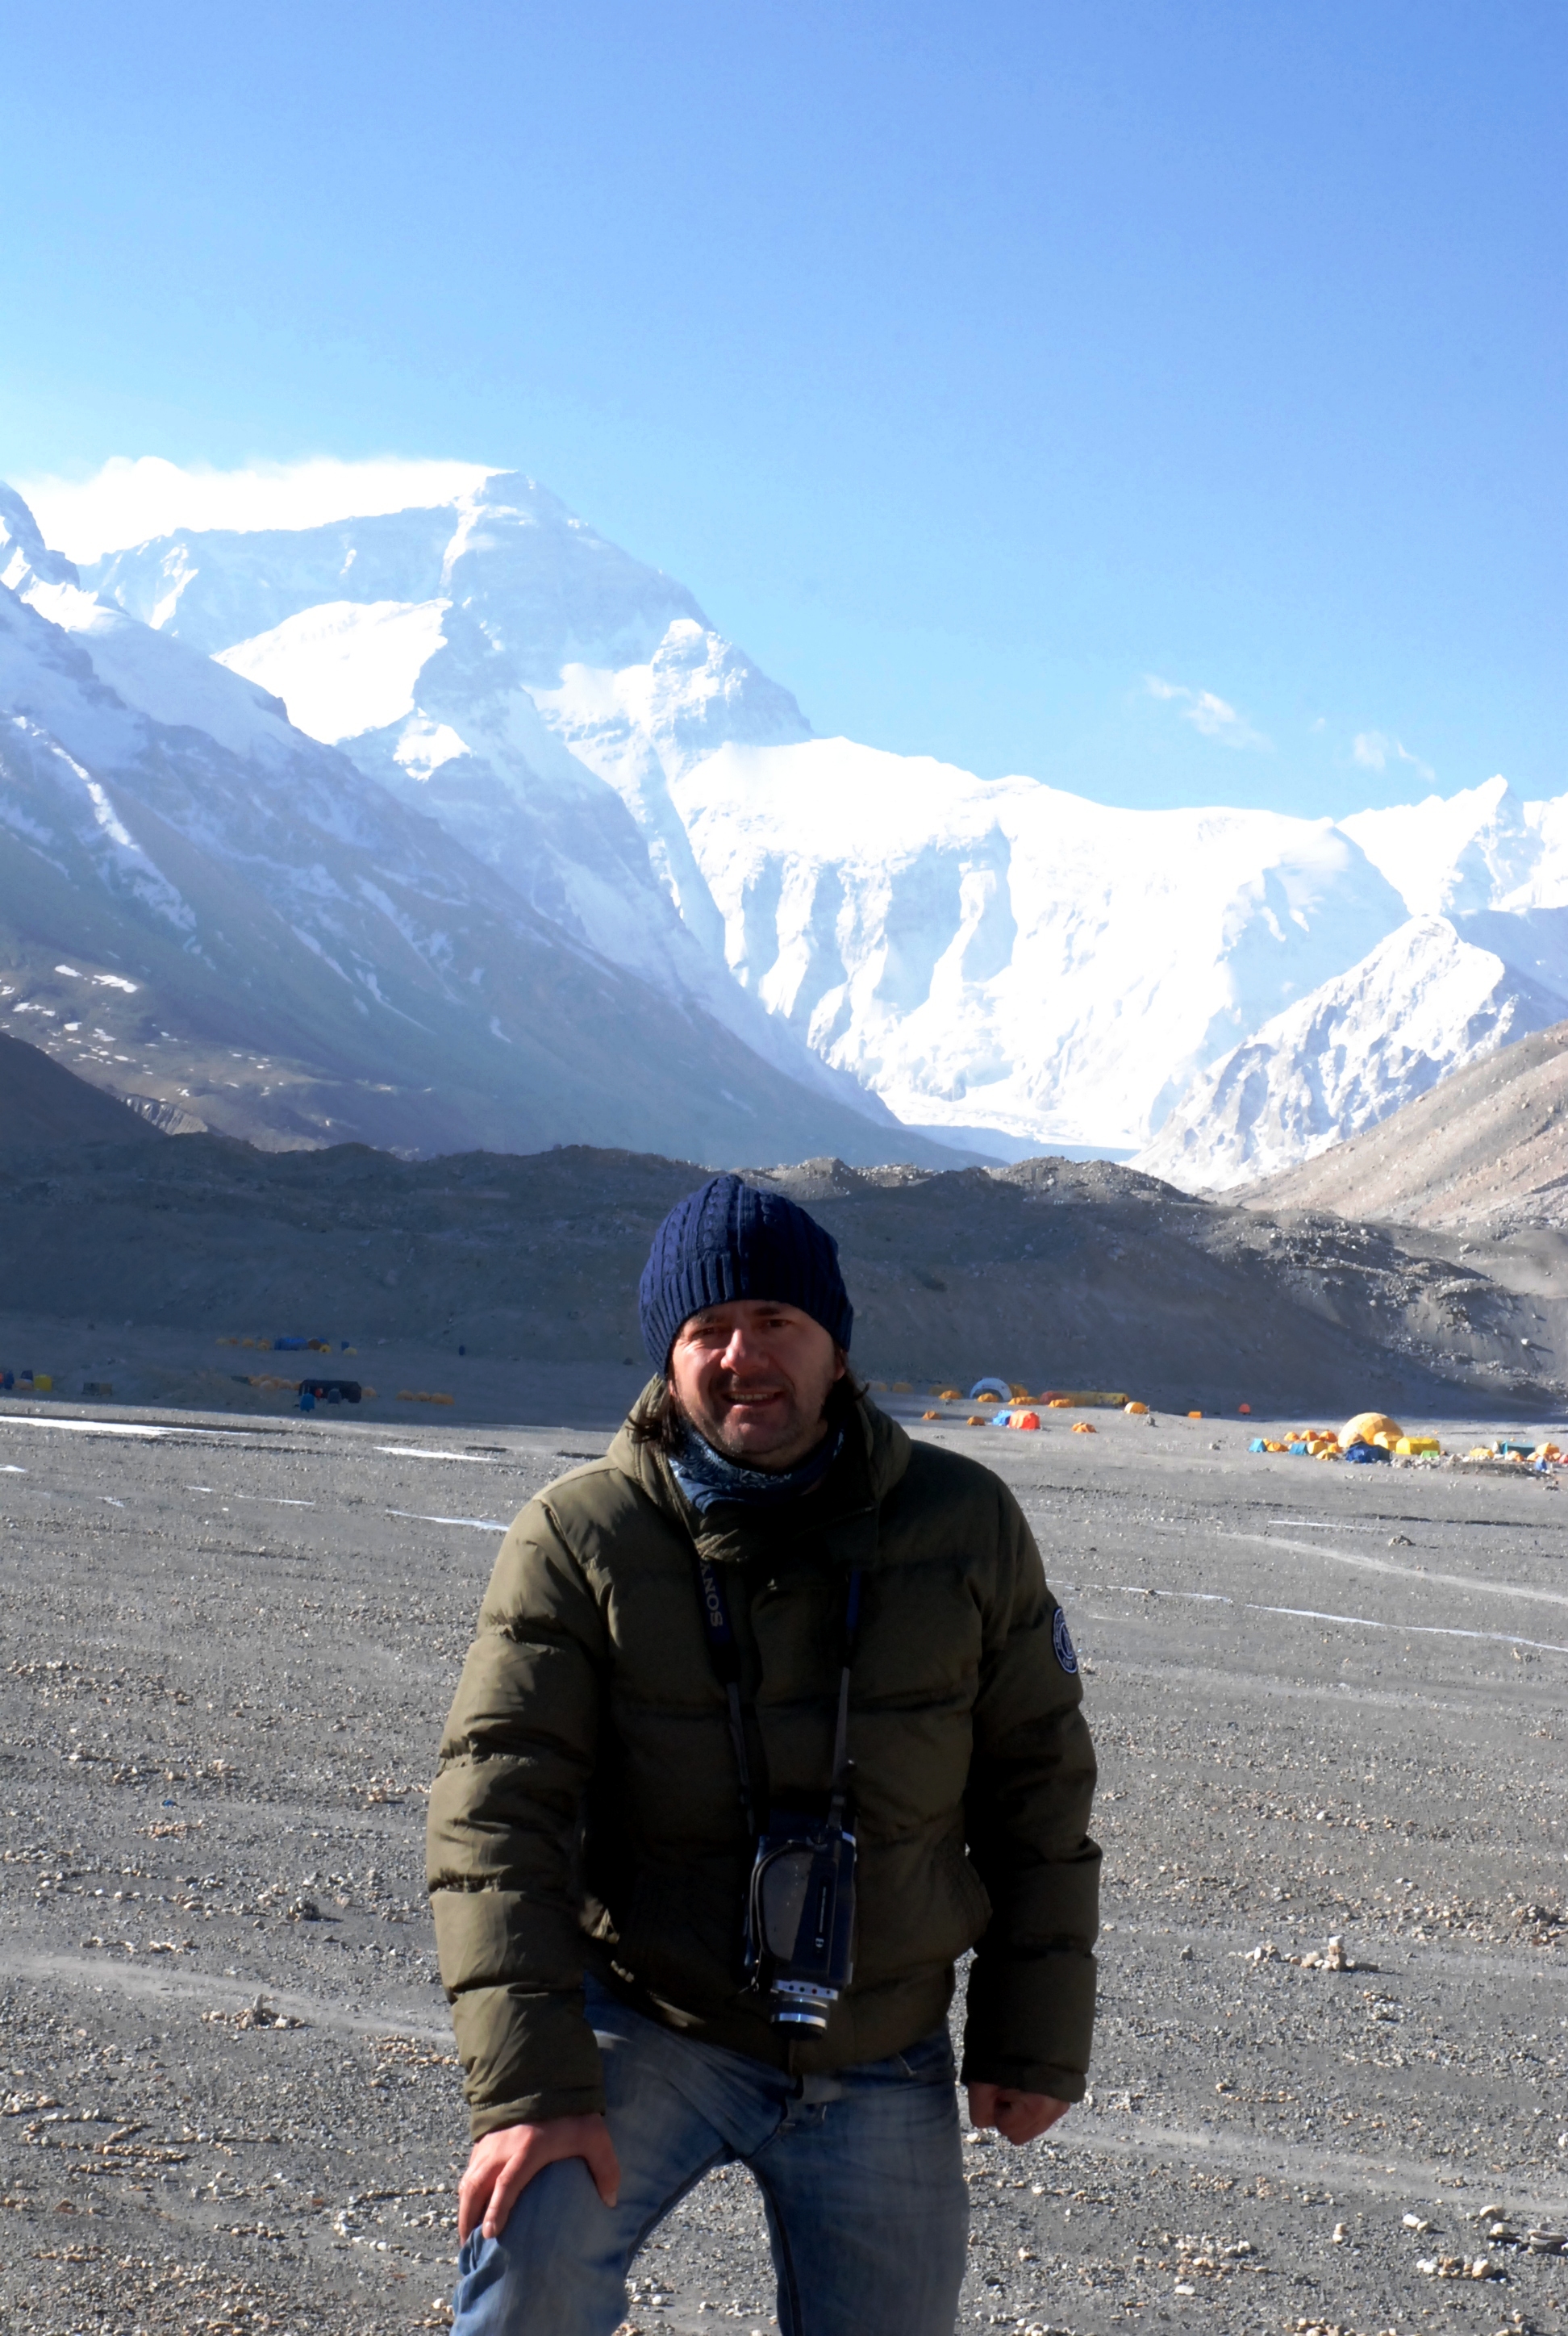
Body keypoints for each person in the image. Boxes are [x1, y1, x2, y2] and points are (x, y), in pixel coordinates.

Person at [427, 1174, 1099, 2336]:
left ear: (836, 1349)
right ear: (669, 1358)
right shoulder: (582, 1537)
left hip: (879, 2034)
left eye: (776, 1321)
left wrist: (1030, 2035)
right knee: (531, 2260)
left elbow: (1037, 1787)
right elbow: (497, 1816)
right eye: (710, 1329)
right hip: (655, 2016)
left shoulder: (964, 1524)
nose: (744, 1355)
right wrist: (532, 2092)